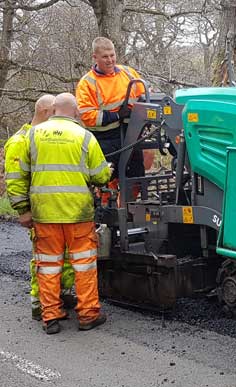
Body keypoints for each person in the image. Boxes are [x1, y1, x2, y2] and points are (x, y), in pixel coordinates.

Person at [7, 92, 112, 334]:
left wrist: (23, 208)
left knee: (48, 266)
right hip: (78, 215)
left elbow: (18, 175)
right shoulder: (84, 136)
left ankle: (51, 317)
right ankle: (88, 315)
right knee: (84, 265)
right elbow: (100, 175)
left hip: (45, 215)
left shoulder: (32, 136)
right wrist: (107, 170)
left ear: (54, 110)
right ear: (75, 112)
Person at [3, 94, 75, 320]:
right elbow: (15, 179)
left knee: (62, 257)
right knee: (44, 258)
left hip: (55, 210)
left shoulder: (45, 136)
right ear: (46, 112)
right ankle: (40, 302)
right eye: (55, 113)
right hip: (38, 211)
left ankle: (59, 295)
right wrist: (23, 211)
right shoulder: (20, 140)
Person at [76, 36, 146, 204]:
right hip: (105, 140)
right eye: (105, 56)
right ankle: (107, 215)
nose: (110, 60)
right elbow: (87, 115)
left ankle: (128, 210)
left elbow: (144, 95)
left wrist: (138, 111)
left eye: (112, 55)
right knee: (106, 179)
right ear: (95, 57)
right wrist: (115, 116)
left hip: (131, 134)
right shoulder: (87, 83)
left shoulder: (129, 73)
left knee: (136, 177)